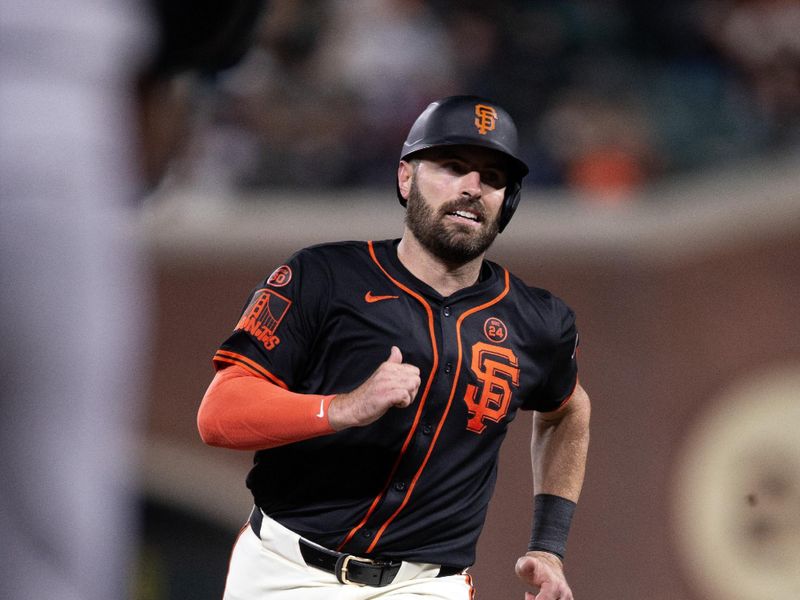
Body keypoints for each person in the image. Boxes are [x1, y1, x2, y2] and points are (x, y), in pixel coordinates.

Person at [197, 95, 591, 600]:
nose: (473, 187)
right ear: (406, 177)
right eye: (453, 167)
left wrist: (549, 545)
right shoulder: (323, 276)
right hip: (289, 570)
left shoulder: (537, 319)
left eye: (493, 178)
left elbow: (568, 410)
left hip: (427, 585)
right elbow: (220, 413)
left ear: (507, 201)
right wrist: (343, 408)